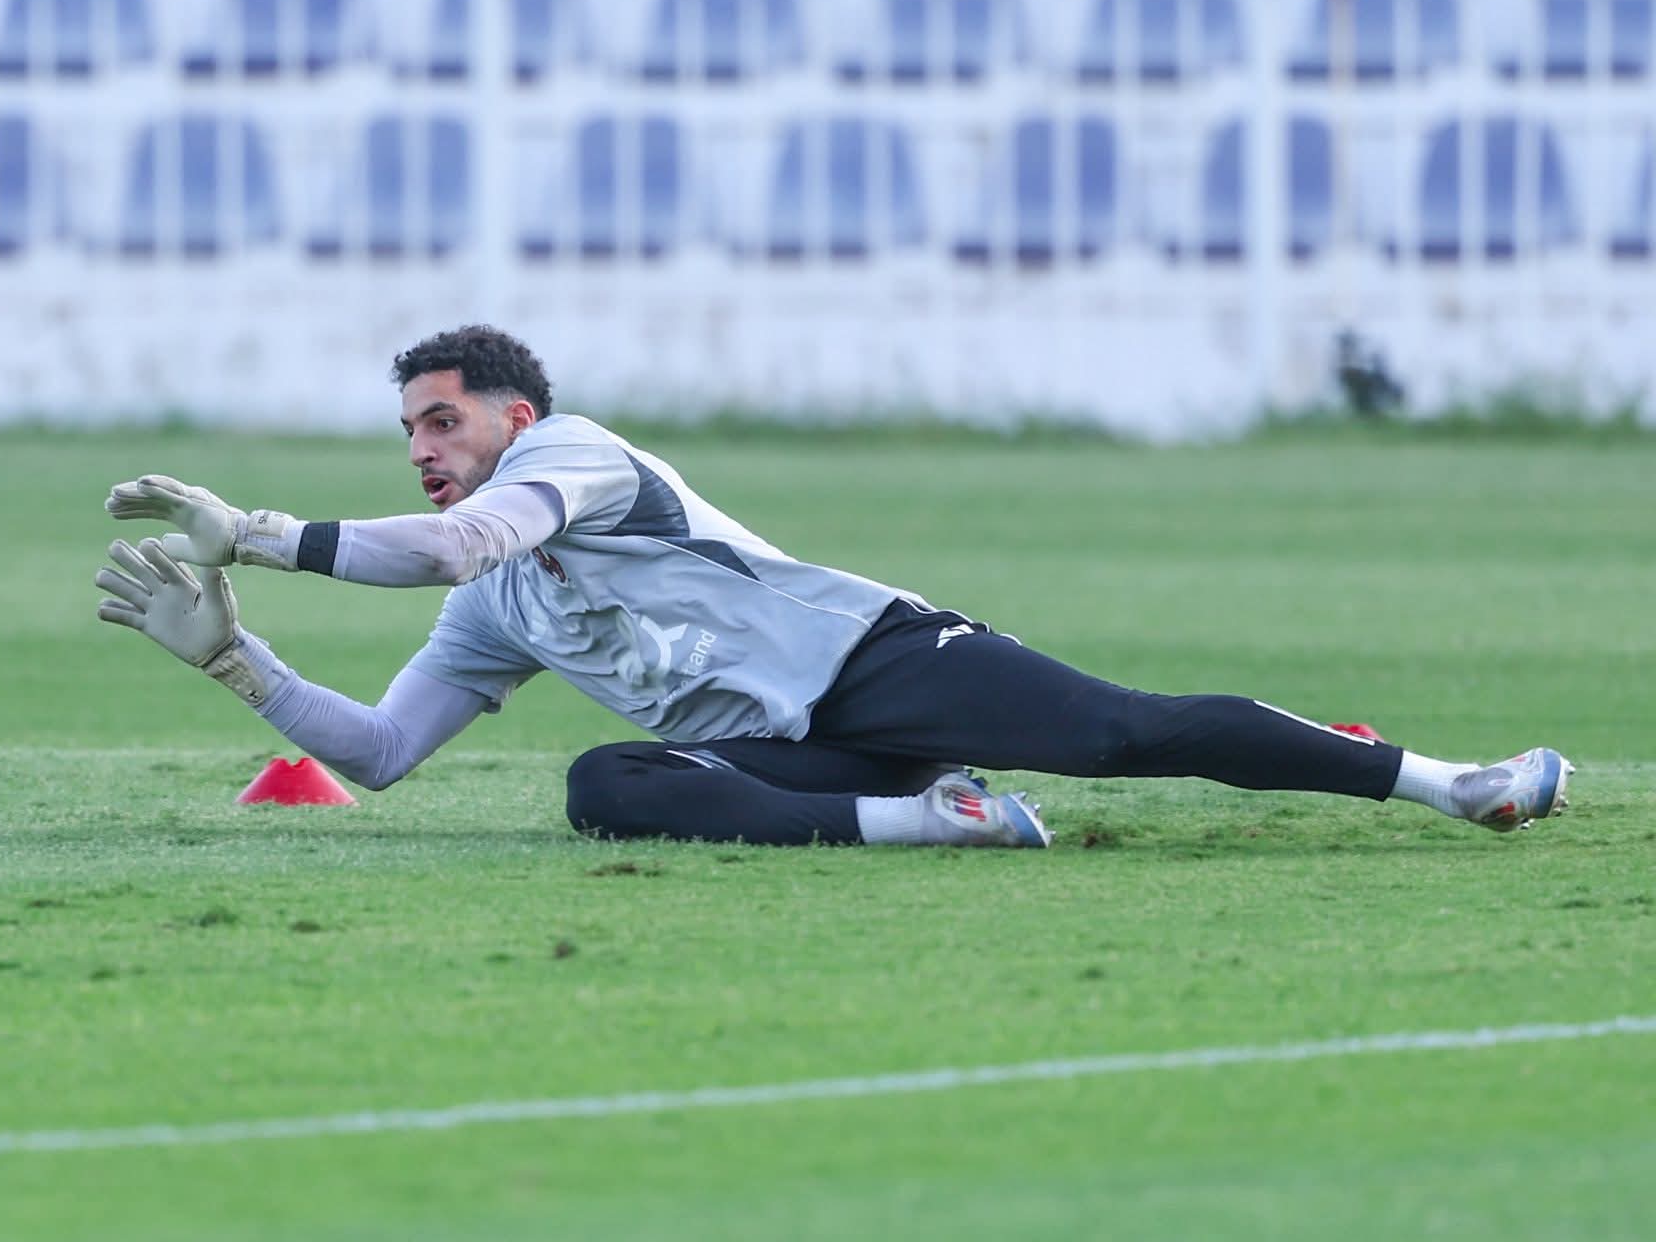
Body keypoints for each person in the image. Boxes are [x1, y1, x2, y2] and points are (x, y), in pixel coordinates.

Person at [94, 324, 1573, 848]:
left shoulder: (585, 460)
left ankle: (1455, 784)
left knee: (1130, 731)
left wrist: (265, 530)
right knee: (607, 785)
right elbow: (381, 758)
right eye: (409, 428)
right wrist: (240, 662)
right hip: (801, 752)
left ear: (514, 422)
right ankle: (940, 820)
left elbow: (457, 542)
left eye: (441, 421)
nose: (423, 449)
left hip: (872, 656)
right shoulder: (498, 610)